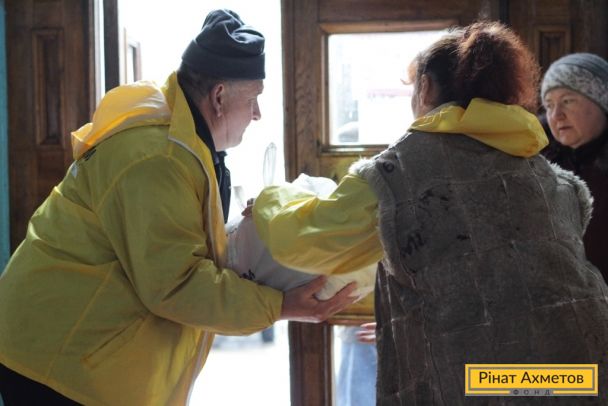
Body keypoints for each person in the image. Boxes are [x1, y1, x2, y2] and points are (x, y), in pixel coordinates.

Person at [0, 9, 357, 406]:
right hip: (58, 360)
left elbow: (177, 239)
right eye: (253, 99)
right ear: (219, 97)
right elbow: (176, 284)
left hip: (75, 350)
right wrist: (280, 306)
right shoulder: (157, 158)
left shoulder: (184, 140)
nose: (257, 114)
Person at [252, 22, 608, 404]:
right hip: (583, 369)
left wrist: (269, 200)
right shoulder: (544, 172)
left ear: (424, 89)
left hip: (485, 380)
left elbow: (305, 240)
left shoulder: (400, 171)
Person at [540, 52, 608, 279]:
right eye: (549, 105)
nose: (556, 115)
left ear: (601, 101)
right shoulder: (535, 164)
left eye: (567, 101)